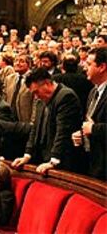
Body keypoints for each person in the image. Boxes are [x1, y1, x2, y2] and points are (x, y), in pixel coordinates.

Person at [12, 68, 84, 174]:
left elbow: (63, 132)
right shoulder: (41, 100)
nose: (36, 96)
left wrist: (53, 161)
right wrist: (27, 155)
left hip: (63, 162)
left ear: (47, 83)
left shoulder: (65, 96)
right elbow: (35, 129)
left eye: (36, 92)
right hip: (43, 157)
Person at [72, 47, 107, 180]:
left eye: (89, 64)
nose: (84, 68)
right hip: (93, 163)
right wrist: (82, 134)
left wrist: (93, 129)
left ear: (102, 66)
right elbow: (89, 122)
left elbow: (92, 126)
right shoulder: (93, 91)